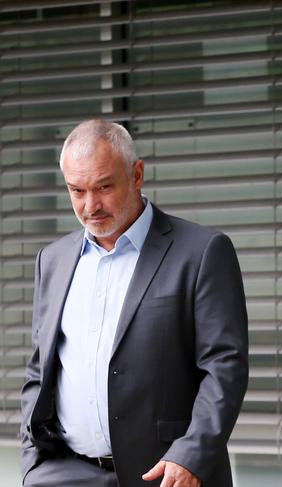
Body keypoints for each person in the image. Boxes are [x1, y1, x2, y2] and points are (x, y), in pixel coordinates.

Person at [20, 120, 248, 487]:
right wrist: (34, 462)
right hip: (64, 473)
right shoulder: (53, 259)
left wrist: (190, 454)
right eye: (76, 190)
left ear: (137, 174)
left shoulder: (202, 251)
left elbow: (225, 367)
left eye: (104, 187)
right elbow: (40, 369)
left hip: (167, 476)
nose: (90, 205)